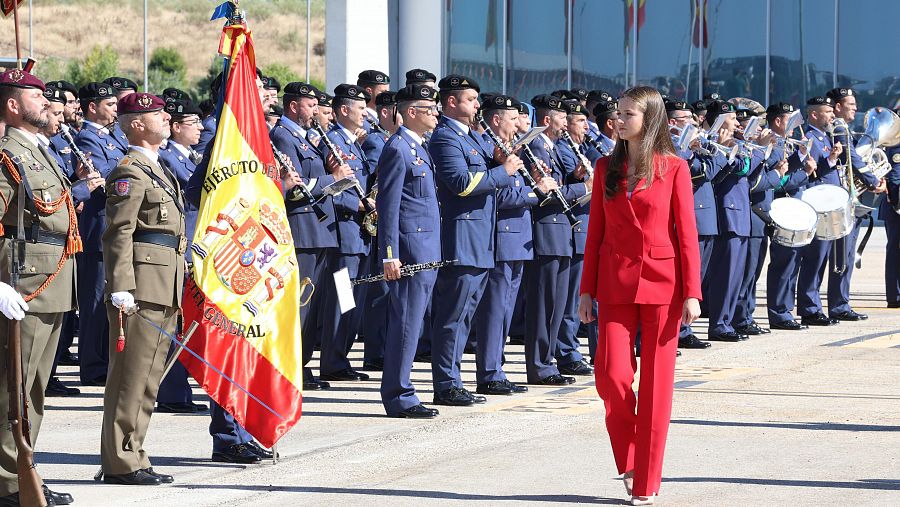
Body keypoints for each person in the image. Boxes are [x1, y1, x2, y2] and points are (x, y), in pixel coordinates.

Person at [578, 86, 701, 505]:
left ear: (649, 120)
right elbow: (594, 233)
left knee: (655, 388)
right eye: (618, 113)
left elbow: (686, 234)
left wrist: (692, 292)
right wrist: (586, 290)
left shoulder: (674, 168)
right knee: (611, 376)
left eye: (628, 113)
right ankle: (629, 459)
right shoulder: (603, 167)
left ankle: (646, 480)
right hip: (614, 281)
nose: (619, 119)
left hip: (664, 285)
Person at [0, 68, 79, 507]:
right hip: (22, 282)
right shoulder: (6, 153)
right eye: (37, 96)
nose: (49, 103)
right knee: (11, 386)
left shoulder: (38, 152)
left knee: (32, 389)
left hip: (50, 279)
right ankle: (7, 482)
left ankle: (22, 471)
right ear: (13, 105)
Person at [99, 92, 181, 486]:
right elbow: (119, 233)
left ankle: (134, 453)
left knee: (148, 379)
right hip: (142, 287)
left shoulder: (156, 168)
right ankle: (119, 461)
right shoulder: (129, 171)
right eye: (156, 115)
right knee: (130, 378)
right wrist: (121, 286)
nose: (166, 119)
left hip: (166, 283)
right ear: (135, 124)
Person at [428, 75, 521, 405]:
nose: (477, 105)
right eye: (470, 100)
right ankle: (445, 383)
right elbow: (460, 183)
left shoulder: (473, 137)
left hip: (481, 240)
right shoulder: (445, 138)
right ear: (451, 103)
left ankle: (455, 378)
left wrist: (501, 161)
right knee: (453, 316)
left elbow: (492, 167)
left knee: (466, 316)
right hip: (463, 237)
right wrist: (502, 171)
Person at [472, 94, 551, 395]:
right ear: (496, 120)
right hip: (504, 237)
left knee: (505, 310)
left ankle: (497, 368)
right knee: (495, 310)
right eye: (513, 117)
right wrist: (536, 193)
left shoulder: (509, 150)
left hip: (518, 239)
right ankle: (490, 372)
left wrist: (532, 176)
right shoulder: (493, 152)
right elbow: (502, 198)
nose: (519, 122)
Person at [376, 84, 442, 418]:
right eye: (429, 110)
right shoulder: (397, 148)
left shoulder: (418, 147)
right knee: (405, 324)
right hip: (409, 252)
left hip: (425, 249)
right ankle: (399, 395)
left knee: (413, 325)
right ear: (411, 113)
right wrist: (389, 254)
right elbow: (388, 206)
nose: (435, 114)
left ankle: (403, 389)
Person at [523, 94, 590, 385]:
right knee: (544, 306)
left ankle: (548, 361)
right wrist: (582, 187)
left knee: (558, 304)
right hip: (548, 233)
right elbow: (550, 193)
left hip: (561, 234)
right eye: (563, 118)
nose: (566, 124)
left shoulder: (550, 147)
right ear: (548, 120)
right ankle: (540, 365)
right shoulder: (536, 146)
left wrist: (575, 180)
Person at [155, 97, 208, 414]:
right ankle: (172, 392)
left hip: (196, 243)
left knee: (187, 321)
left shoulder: (189, 155)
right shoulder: (169, 159)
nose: (200, 127)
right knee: (178, 322)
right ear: (175, 127)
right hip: (183, 246)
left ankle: (179, 390)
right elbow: (193, 191)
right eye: (193, 123)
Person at [75, 81, 128, 387]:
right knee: (94, 301)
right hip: (98, 227)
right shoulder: (86, 137)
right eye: (109, 105)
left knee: (108, 298)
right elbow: (103, 175)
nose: (114, 109)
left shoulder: (111, 136)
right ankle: (92, 365)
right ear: (92, 107)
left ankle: (105, 360)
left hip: (112, 225)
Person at [825, 87, 882, 321]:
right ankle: (838, 305)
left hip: (847, 197)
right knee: (842, 255)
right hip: (842, 198)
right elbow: (852, 158)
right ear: (838, 106)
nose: (856, 109)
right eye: (851, 104)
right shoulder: (839, 127)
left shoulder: (844, 128)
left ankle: (841, 302)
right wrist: (872, 179)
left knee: (846, 255)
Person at [797, 96, 844, 327]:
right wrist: (832, 159)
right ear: (814, 114)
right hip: (817, 204)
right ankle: (809, 308)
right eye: (828, 111)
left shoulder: (825, 136)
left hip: (828, 205)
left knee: (822, 259)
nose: (833, 115)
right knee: (814, 259)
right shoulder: (808, 136)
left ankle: (815, 305)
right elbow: (813, 172)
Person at [883, 134, 900, 308]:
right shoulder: (897, 143)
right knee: (896, 251)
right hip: (897, 206)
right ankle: (895, 296)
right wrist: (897, 204)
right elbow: (895, 175)